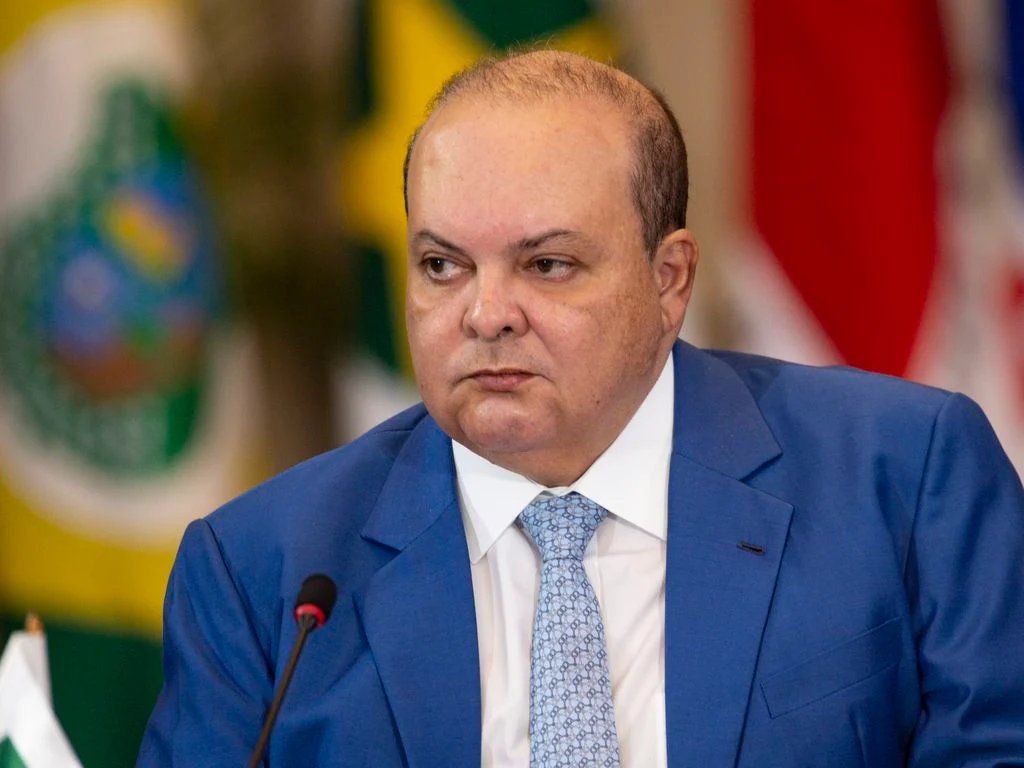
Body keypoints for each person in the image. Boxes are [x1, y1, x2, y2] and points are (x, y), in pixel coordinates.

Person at [138, 50, 1024, 767]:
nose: (485, 313)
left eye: (547, 265)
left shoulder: (905, 477)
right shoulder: (266, 572)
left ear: (668, 280)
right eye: (443, 266)